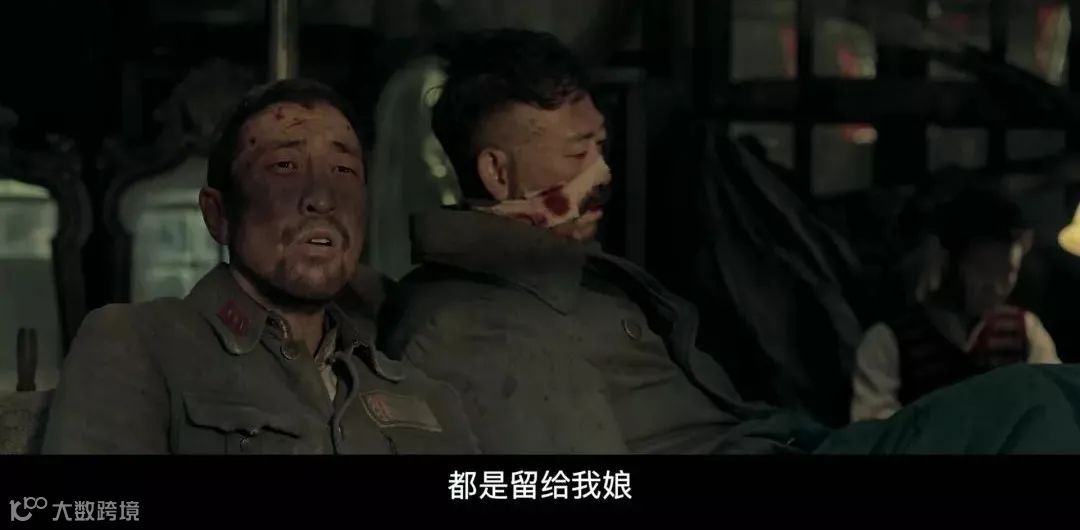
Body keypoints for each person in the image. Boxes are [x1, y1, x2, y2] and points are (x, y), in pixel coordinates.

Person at [376, 29, 825, 454]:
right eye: (577, 153)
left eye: (600, 146)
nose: (603, 174)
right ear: (497, 173)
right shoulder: (475, 330)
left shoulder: (567, 273)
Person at [43, 79, 478, 454]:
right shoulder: (138, 346)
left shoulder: (426, 397)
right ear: (219, 215)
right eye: (284, 166)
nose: (322, 198)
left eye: (344, 170)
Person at [851, 189, 1060, 422]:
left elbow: (1054, 408)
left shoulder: (1025, 330)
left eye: (1008, 273)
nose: (997, 287)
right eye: (983, 270)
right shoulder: (889, 341)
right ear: (948, 262)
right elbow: (872, 428)